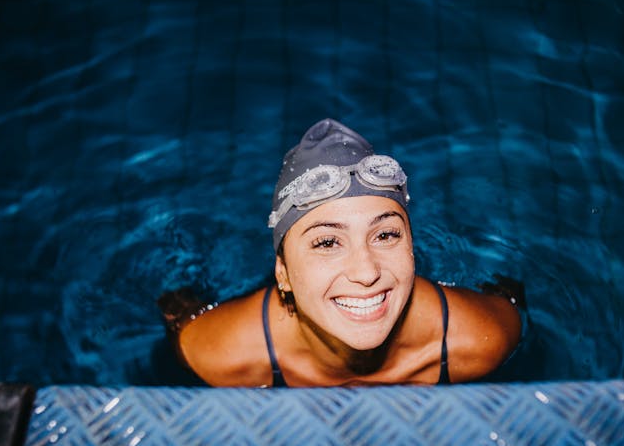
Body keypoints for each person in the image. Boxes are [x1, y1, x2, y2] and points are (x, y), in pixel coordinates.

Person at [159, 119, 522, 387]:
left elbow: (512, 302)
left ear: (413, 248)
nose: (366, 272)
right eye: (327, 242)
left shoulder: (478, 342)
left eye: (385, 234)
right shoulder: (221, 356)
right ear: (282, 273)